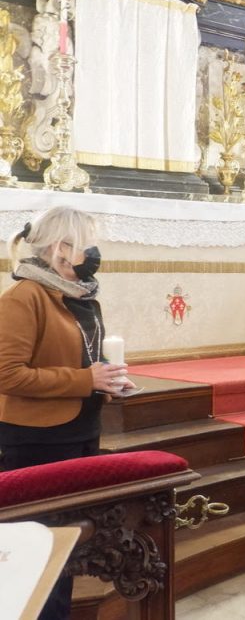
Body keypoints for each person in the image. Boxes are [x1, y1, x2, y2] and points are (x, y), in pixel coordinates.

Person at [0, 206, 130, 620]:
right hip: (37, 439)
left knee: (66, 549)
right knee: (40, 549)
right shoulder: (24, 296)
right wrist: (85, 380)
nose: (93, 253)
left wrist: (106, 381)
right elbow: (7, 374)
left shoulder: (78, 296)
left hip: (79, 429)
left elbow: (83, 359)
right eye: (86, 245)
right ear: (60, 247)